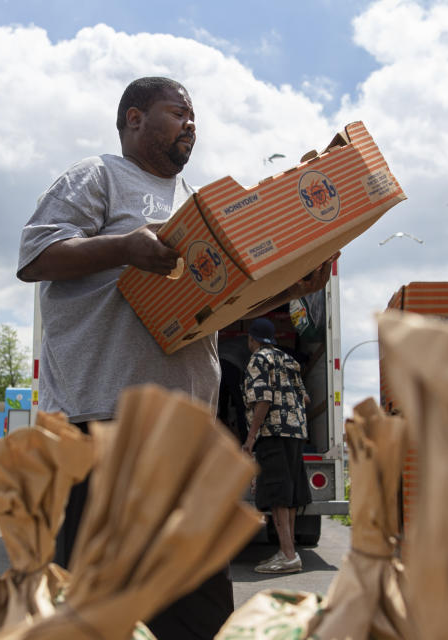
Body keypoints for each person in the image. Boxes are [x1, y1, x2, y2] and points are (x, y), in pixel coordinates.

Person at [17, 76, 334, 639]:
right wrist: (125, 246)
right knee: (100, 609)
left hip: (187, 439)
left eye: (194, 116)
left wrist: (288, 288)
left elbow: (219, 302)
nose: (192, 123)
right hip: (105, 427)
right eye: (178, 112)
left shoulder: (197, 205)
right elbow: (36, 253)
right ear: (134, 119)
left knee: (197, 612)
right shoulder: (99, 178)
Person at [241, 317, 312, 574]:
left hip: (273, 432)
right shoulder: (289, 360)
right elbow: (304, 397)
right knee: (290, 494)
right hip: (295, 432)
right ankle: (286, 550)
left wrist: (250, 439)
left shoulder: (259, 359)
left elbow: (263, 400)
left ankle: (289, 556)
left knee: (277, 495)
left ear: (252, 339)